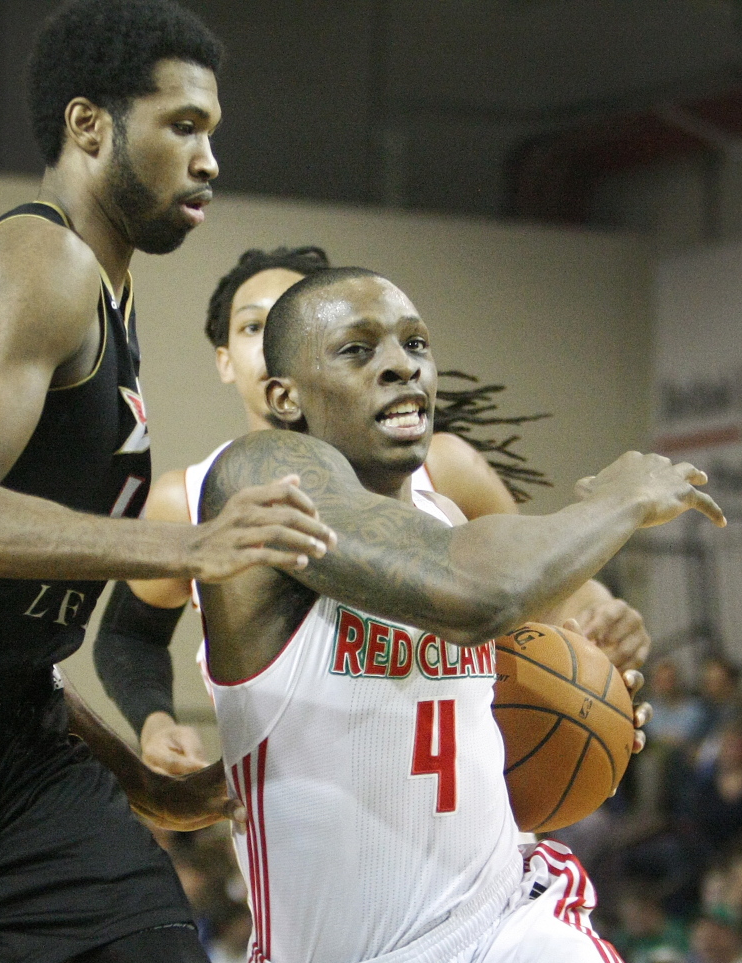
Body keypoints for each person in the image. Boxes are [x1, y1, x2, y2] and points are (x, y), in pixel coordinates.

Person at [193, 267, 724, 963]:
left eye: (415, 343)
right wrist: (618, 499)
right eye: (356, 349)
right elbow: (475, 596)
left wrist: (585, 692)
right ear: (284, 397)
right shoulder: (257, 478)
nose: (400, 363)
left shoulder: (451, 517)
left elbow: (511, 622)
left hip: (502, 935)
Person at [0, 4, 334, 963]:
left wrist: (135, 773)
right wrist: (169, 547)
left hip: (19, 740)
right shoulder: (37, 265)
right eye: (182, 126)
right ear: (90, 126)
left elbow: (4, 636)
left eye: (211, 132)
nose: (209, 158)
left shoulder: (111, 304)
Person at [95, 247, 651, 775]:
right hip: (317, 846)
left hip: (476, 835)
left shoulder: (442, 469)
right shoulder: (189, 498)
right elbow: (129, 635)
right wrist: (155, 722)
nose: (274, 342)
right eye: (253, 327)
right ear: (224, 361)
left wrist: (604, 622)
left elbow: (547, 586)